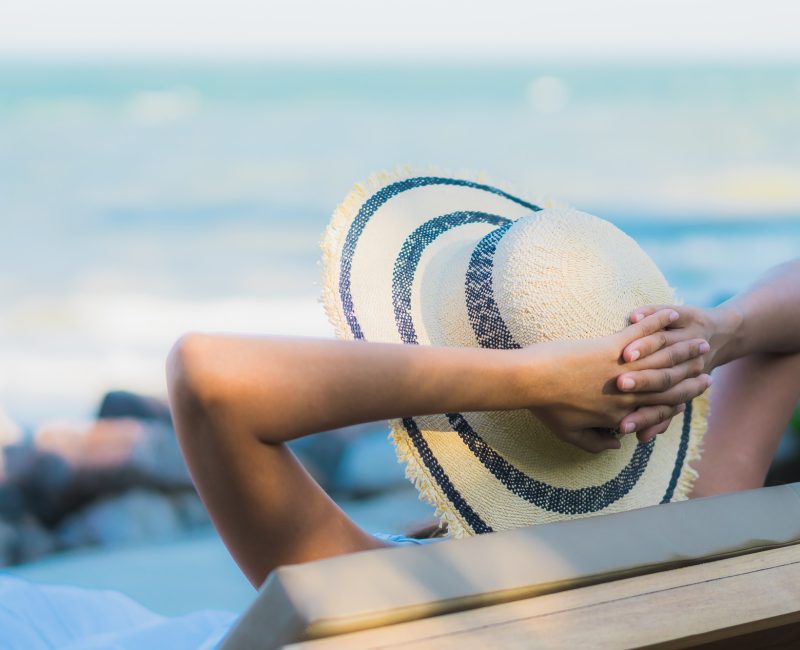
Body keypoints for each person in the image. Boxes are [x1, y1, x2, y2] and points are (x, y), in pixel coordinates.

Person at [166, 176, 800, 590]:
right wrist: (721, 330)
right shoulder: (704, 520)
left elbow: (206, 380)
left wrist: (536, 378)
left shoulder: (388, 592)